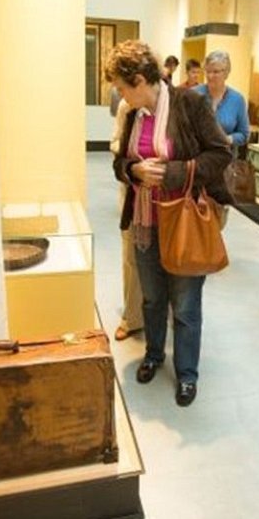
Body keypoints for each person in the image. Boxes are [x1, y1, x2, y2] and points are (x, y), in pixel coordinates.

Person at [107, 40, 232, 407]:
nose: (120, 95)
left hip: (183, 221)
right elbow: (119, 164)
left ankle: (187, 374)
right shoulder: (132, 114)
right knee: (152, 298)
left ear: (140, 80)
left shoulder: (189, 103)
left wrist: (172, 174)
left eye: (122, 87)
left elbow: (220, 153)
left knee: (186, 305)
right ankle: (154, 354)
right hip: (145, 221)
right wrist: (134, 170)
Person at [109, 96, 144, 342]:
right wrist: (132, 160)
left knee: (166, 260)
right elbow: (114, 141)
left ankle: (164, 312)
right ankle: (132, 317)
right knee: (131, 258)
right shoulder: (126, 105)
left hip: (165, 198)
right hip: (133, 192)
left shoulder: (176, 102)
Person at [193, 50, 249, 149]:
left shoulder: (237, 100)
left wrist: (227, 139)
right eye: (208, 71)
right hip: (196, 155)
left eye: (215, 72)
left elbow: (244, 134)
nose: (210, 76)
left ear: (226, 73)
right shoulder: (193, 94)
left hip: (224, 155)